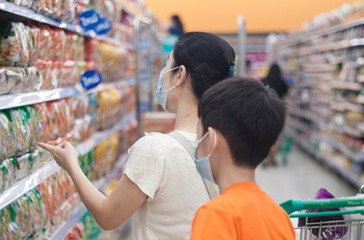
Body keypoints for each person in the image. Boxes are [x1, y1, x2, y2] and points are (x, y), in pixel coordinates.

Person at [38, 32, 236, 240]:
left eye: (166, 65)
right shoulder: (226, 145)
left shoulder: (155, 150)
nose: (161, 74)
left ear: (180, 74)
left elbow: (107, 217)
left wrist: (72, 165)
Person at [190, 77, 295, 239]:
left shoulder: (216, 215)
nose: (196, 143)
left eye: (198, 134)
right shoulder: (280, 216)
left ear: (211, 140)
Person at [262, 63, 288, 166]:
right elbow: (285, 94)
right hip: (279, 111)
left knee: (265, 135)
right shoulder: (282, 82)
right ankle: (273, 159)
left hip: (265, 109)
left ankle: (265, 158)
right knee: (276, 136)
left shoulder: (264, 80)